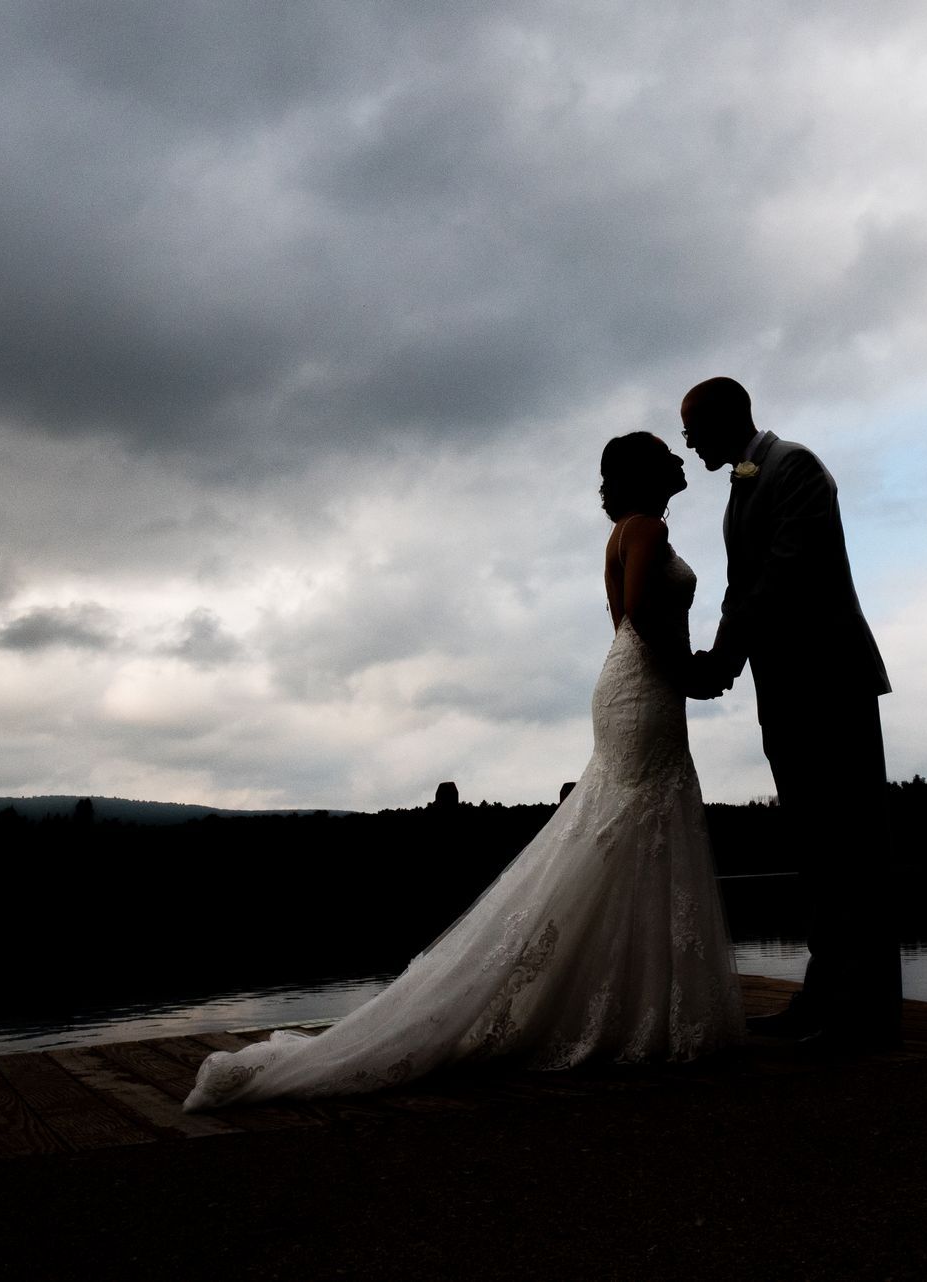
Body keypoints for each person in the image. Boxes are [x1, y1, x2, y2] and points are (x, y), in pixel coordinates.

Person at [185, 433, 743, 1109]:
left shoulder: (625, 532)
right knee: (631, 829)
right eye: (669, 455)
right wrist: (695, 676)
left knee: (631, 836)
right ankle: (635, 1008)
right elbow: (643, 624)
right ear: (645, 474)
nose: (683, 463)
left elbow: (626, 624)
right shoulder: (647, 528)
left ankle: (637, 1004)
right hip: (647, 687)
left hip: (635, 687)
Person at [678, 376, 900, 1050]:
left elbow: (783, 575)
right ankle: (826, 995)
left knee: (852, 845)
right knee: (814, 848)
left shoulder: (793, 467)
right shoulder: (745, 487)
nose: (686, 443)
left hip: (829, 683)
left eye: (691, 428)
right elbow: (741, 589)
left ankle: (866, 1013)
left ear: (721, 421)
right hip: (786, 691)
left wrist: (720, 660)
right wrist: (722, 660)